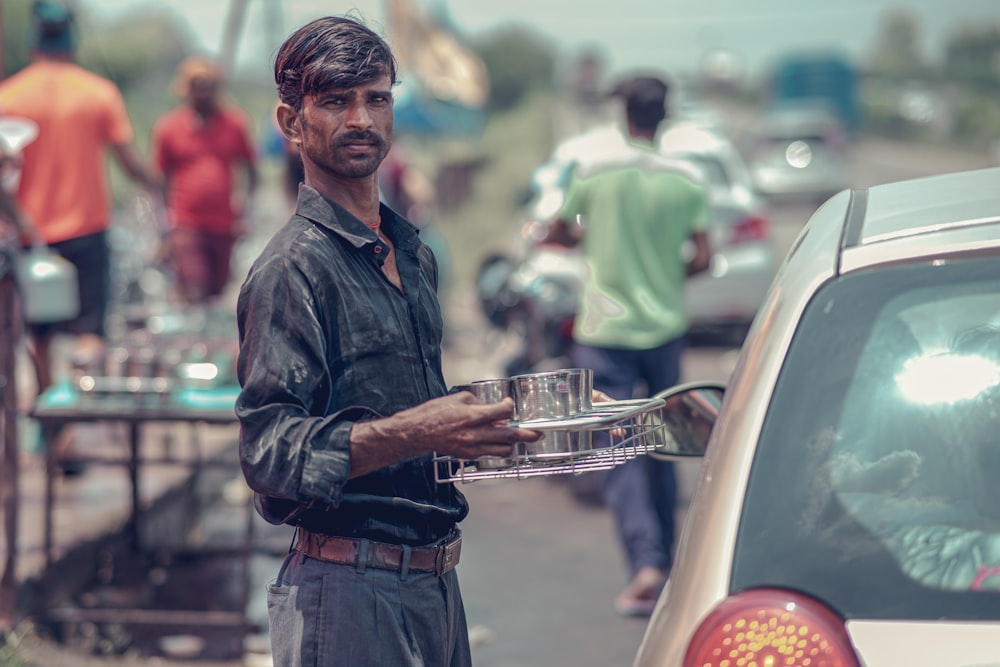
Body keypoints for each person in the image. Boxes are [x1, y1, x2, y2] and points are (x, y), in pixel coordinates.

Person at [235, 16, 543, 666]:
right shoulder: (293, 268)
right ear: (292, 122)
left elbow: (408, 412)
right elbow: (269, 455)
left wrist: (495, 420)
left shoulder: (413, 254)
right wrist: (419, 431)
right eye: (336, 100)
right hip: (347, 590)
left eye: (377, 97)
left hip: (434, 581)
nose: (362, 119)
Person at [546, 74, 712, 616]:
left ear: (625, 115)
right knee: (664, 442)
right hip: (664, 326)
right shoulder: (687, 179)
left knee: (619, 446)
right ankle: (671, 563)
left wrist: (583, 239)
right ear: (664, 116)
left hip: (605, 331)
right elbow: (703, 256)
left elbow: (564, 229)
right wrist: (667, 272)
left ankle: (645, 564)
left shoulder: (595, 173)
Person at [0, 0, 156, 395]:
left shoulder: (9, 96)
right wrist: (157, 183)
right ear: (72, 39)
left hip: (31, 237)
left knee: (40, 337)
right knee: (89, 333)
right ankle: (81, 412)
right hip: (86, 229)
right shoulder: (98, 93)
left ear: (34, 39)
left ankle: (54, 425)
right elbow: (129, 164)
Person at [152, 55, 259, 305]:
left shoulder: (235, 123)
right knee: (195, 285)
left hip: (224, 224)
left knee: (216, 291)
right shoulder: (169, 127)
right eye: (195, 84)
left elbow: (252, 171)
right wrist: (163, 227)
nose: (201, 91)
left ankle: (202, 342)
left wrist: (245, 212)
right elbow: (159, 180)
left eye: (206, 84)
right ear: (186, 89)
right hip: (186, 222)